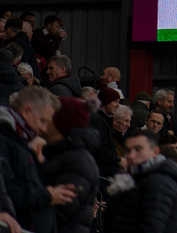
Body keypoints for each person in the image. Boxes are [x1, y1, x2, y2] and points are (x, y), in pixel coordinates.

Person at [0, 86, 77, 233]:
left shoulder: (22, 140)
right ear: (27, 111)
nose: (44, 128)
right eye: (43, 120)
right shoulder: (6, 139)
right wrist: (48, 195)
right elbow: (10, 190)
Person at [104, 129, 177, 233]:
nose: (131, 155)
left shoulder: (158, 182)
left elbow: (152, 227)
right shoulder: (130, 181)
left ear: (155, 152)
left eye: (138, 149)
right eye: (128, 150)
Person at [39, 96, 99, 233]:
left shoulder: (76, 161)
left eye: (49, 116)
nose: (43, 120)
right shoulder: (60, 153)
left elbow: (66, 212)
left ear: (61, 123)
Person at [89, 86, 124, 181]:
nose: (118, 105)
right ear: (105, 101)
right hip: (102, 175)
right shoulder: (97, 120)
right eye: (115, 101)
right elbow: (100, 148)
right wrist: (118, 160)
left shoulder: (102, 119)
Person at [151, 88, 177, 153]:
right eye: (169, 101)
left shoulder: (171, 116)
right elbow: (163, 136)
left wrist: (174, 133)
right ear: (160, 101)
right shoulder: (152, 115)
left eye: (172, 102)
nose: (172, 105)